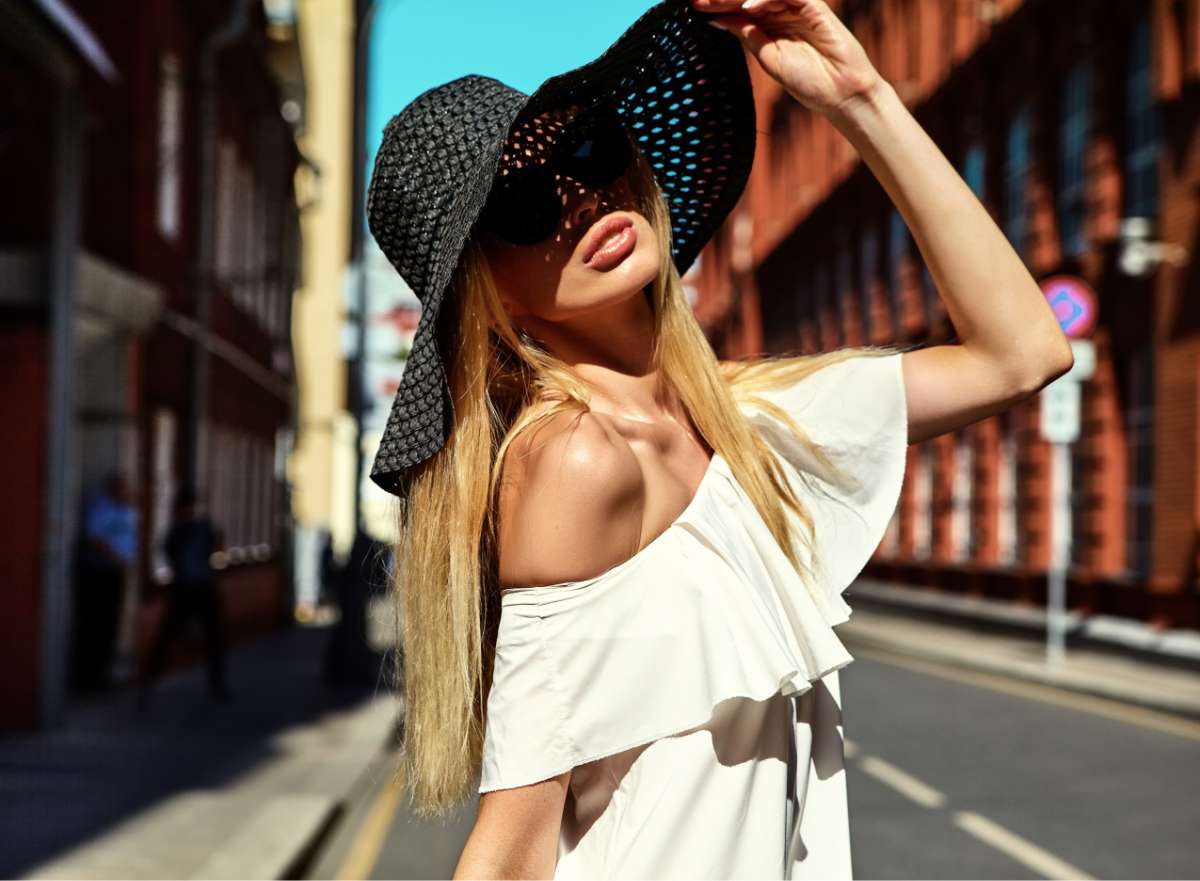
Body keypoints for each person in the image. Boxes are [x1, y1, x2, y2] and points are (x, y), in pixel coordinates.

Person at [365, 1, 1073, 877]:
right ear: (493, 297)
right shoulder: (575, 460)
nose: (581, 198)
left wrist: (860, 99)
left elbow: (1023, 354)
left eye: (586, 150)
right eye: (520, 203)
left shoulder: (750, 428)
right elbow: (515, 842)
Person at [139, 485, 231, 704]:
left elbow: (215, 551)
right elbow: (217, 551)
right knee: (202, 637)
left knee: (205, 637)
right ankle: (151, 680)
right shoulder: (191, 529)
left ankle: (151, 680)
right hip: (194, 588)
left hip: (192, 588)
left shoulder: (186, 529)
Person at [72, 472, 138, 693]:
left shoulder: (125, 508)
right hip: (99, 573)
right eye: (122, 488)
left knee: (110, 624)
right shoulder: (101, 507)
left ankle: (103, 674)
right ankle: (87, 679)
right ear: (112, 488)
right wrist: (117, 556)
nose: (126, 492)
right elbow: (94, 537)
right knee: (95, 624)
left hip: (116, 572)